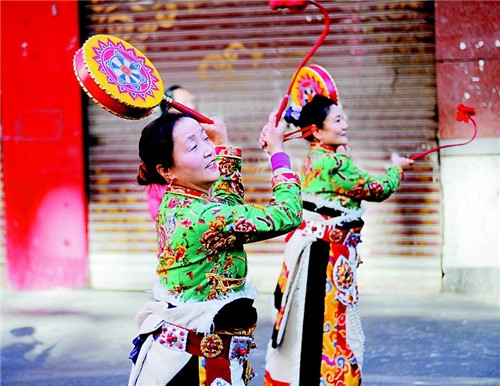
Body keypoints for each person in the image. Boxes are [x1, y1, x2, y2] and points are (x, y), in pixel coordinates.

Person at [128, 111, 303, 386]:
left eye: (205, 138)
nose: (209, 150)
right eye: (194, 145)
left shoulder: (177, 203)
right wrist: (278, 153)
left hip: (183, 355)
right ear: (166, 170)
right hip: (197, 368)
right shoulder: (202, 216)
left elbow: (226, 208)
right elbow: (288, 214)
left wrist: (221, 142)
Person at [263, 94, 414, 386]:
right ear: (317, 131)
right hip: (326, 257)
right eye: (337, 119)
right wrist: (397, 168)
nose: (345, 124)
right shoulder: (333, 163)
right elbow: (378, 189)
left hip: (314, 252)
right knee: (329, 325)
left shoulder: (315, 158)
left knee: (304, 324)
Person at [146, 85, 199, 220]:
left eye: (192, 101)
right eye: (185, 103)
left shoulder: (201, 133)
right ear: (169, 110)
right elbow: (154, 188)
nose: (192, 107)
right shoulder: (159, 139)